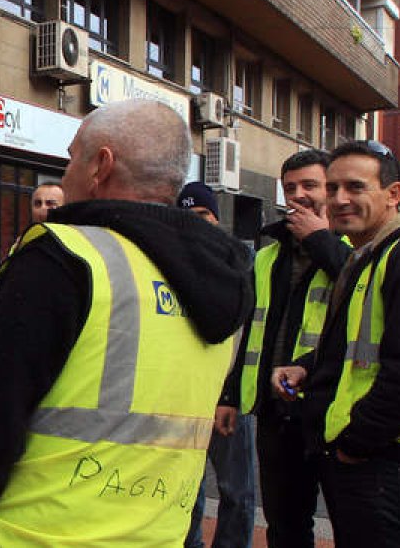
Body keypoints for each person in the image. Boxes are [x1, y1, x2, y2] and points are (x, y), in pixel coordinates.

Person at [0, 100, 253, 545]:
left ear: (101, 165)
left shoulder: (65, 258)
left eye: (71, 158)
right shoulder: (227, 277)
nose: (64, 175)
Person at [273, 140, 400, 548]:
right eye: (332, 189)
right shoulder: (373, 253)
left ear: (394, 194)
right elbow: (358, 345)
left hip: (388, 460)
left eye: (355, 187)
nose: (339, 199)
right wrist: (307, 367)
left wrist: (355, 443)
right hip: (375, 457)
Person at [242, 150, 350, 548]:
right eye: (291, 188)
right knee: (285, 526)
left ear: (331, 190)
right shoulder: (269, 254)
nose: (299, 196)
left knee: (353, 526)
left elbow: (356, 285)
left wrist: (320, 239)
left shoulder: (351, 244)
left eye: (311, 186)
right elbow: (252, 332)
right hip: (277, 411)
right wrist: (230, 395)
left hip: (330, 409)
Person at [176, 181, 257, 548]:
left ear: (216, 217)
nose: (198, 222)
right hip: (184, 396)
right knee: (185, 488)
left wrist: (231, 392)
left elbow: (247, 334)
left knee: (236, 490)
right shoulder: (169, 262)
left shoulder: (242, 264)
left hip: (228, 396)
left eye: (204, 214)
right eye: (188, 215)